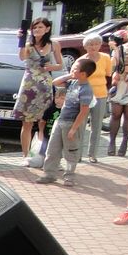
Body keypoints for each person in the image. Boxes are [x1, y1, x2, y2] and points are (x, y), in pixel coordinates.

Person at [38, 58, 96, 186]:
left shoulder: (86, 89)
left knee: (71, 150)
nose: (72, 69)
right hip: (60, 120)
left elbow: (83, 111)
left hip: (71, 123)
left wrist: (74, 128)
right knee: (52, 149)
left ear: (83, 74)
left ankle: (69, 176)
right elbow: (55, 82)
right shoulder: (72, 82)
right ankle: (49, 174)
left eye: (75, 69)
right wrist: (70, 75)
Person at [12, 18, 63, 163]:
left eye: (40, 27)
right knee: (27, 122)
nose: (37, 30)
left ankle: (42, 154)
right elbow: (22, 57)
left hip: (45, 86)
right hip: (29, 86)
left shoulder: (54, 44)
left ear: (47, 29)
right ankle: (25, 155)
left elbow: (60, 65)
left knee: (43, 122)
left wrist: (50, 67)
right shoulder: (29, 45)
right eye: (34, 27)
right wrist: (21, 41)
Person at [82, 34, 112, 163]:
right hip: (85, 95)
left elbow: (109, 75)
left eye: (96, 44)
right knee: (81, 125)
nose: (93, 47)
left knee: (97, 125)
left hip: (101, 94)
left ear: (100, 45)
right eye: (90, 44)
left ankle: (92, 154)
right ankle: (77, 154)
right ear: (85, 46)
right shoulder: (82, 60)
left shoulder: (105, 57)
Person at [110, 55, 128, 157]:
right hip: (120, 83)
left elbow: (121, 67)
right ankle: (112, 142)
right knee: (115, 114)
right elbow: (112, 65)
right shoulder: (120, 49)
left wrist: (123, 68)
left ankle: (124, 142)